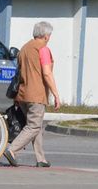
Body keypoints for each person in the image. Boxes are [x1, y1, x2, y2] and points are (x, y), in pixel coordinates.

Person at [4, 21, 60, 168]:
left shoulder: (24, 48)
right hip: (36, 94)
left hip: (22, 94)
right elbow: (47, 73)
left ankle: (41, 159)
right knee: (34, 126)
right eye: (50, 35)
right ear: (46, 36)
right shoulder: (43, 50)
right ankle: (12, 150)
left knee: (36, 126)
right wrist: (56, 94)